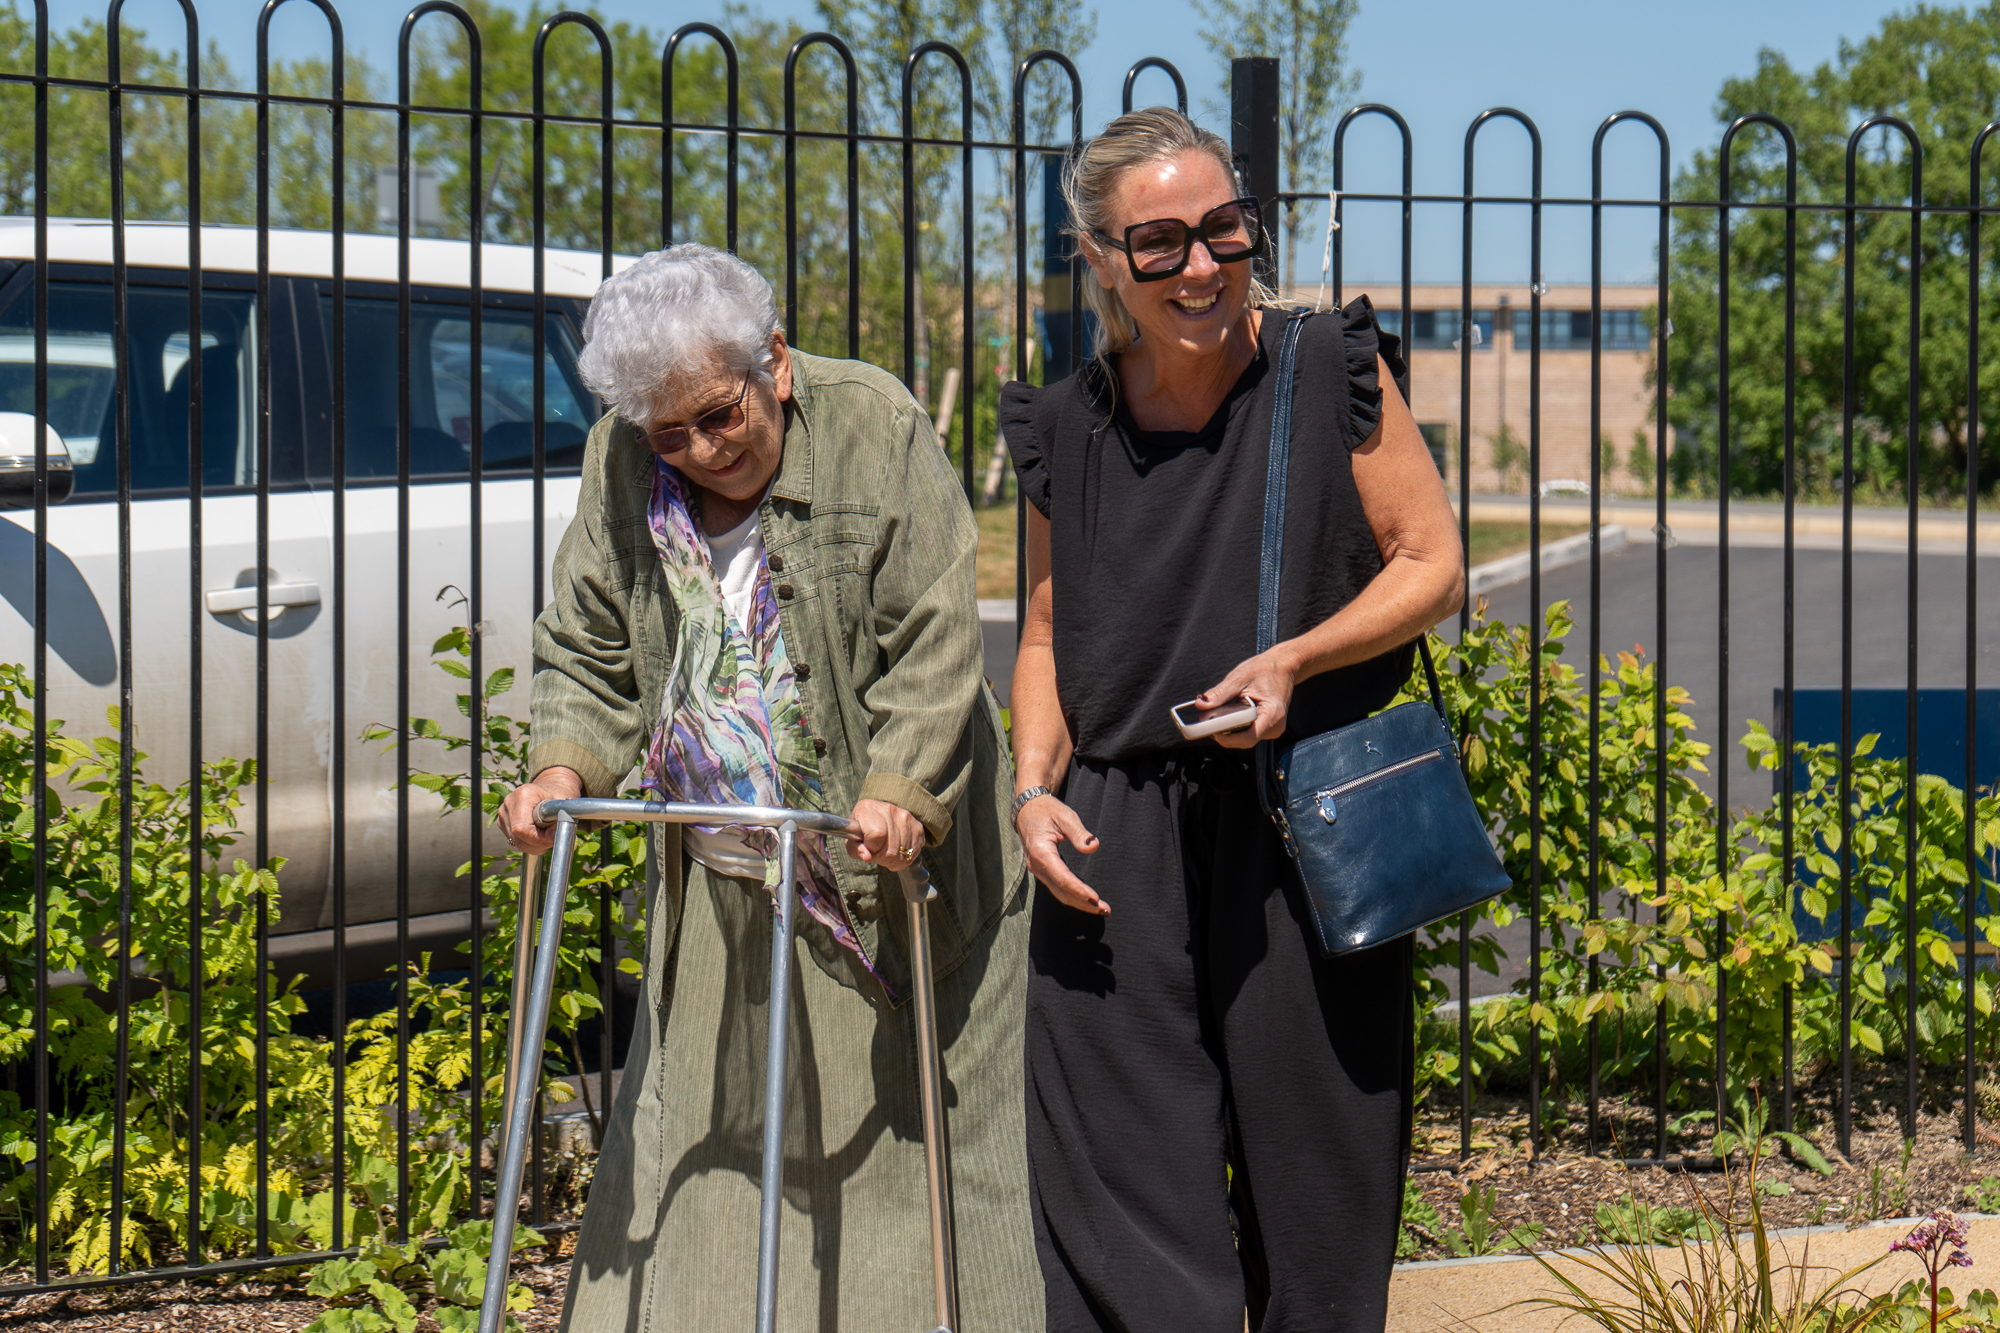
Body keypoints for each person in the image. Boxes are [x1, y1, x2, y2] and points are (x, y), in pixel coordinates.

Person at [497, 243, 1041, 1332]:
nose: (700, 451)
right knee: (715, 1147)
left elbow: (933, 639)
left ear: (774, 364)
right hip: (733, 871)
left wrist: (897, 787)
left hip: (885, 873)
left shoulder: (873, 424)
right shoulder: (622, 460)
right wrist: (559, 767)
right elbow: (589, 646)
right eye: (670, 435)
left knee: (914, 1161)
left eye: (718, 415)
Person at [1000, 108, 1465, 1333]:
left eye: (1223, 230)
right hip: (1110, 838)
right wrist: (1030, 788)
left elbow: (1429, 562)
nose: (1200, 266)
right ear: (1098, 258)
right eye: (1158, 243)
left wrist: (1297, 658)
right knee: (1115, 1185)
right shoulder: (1065, 429)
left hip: (1299, 821)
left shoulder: (1326, 371)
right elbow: (1046, 636)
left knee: (1318, 1184)